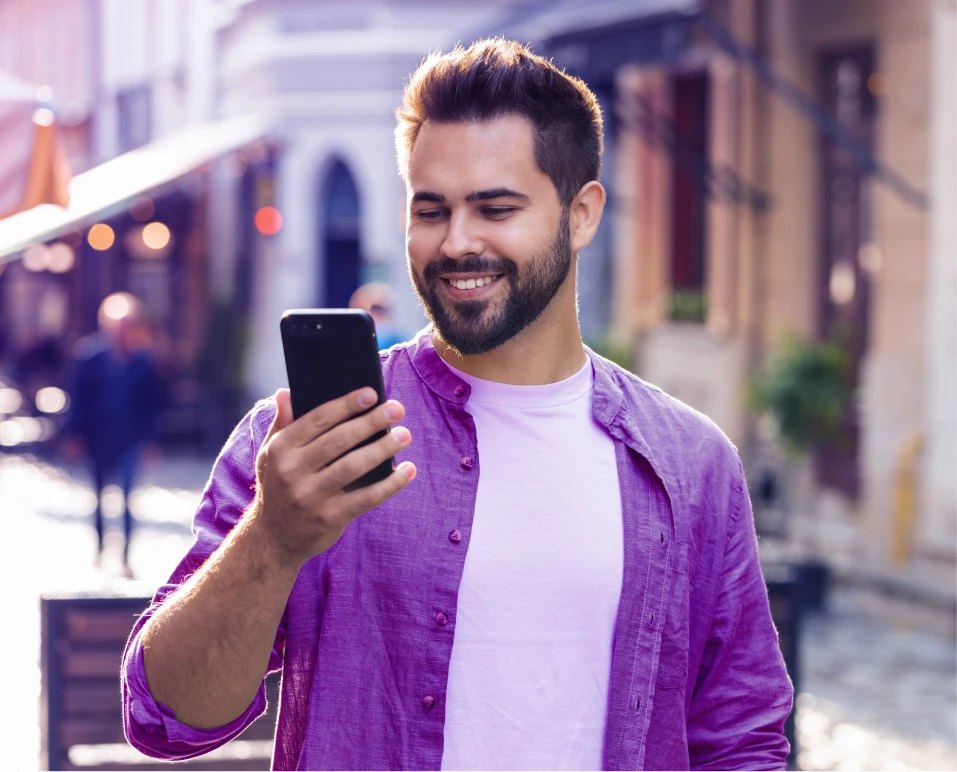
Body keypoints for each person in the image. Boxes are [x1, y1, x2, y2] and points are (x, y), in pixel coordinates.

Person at [122, 39, 792, 770]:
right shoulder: (309, 440)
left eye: (495, 208)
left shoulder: (689, 463)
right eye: (431, 210)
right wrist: (273, 538)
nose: (456, 242)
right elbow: (166, 720)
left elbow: (739, 738)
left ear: (581, 214)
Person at [62, 292, 163, 575]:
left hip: (129, 439)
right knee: (98, 497)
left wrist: (151, 440)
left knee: (128, 498)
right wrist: (75, 434)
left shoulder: (143, 360)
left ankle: (126, 555)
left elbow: (153, 404)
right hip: (97, 438)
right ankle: (100, 548)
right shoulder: (88, 356)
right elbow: (78, 399)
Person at [348, 281, 409, 349]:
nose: (379, 314)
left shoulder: (403, 342)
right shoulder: (347, 343)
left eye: (382, 309)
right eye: (375, 309)